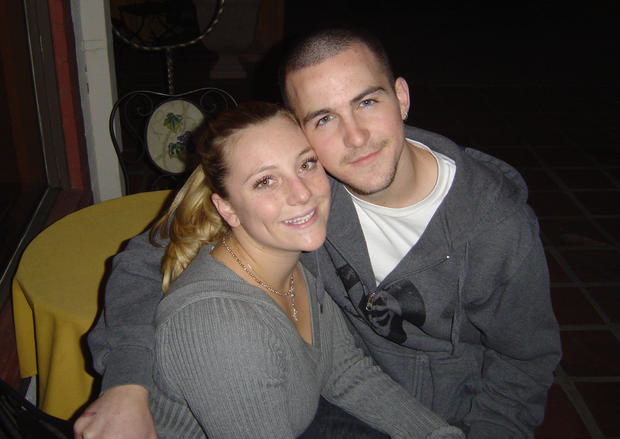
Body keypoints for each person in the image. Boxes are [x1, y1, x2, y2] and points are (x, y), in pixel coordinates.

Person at [75, 27, 561, 439]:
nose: (355, 137)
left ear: (401, 97)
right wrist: (127, 384)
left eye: (367, 102)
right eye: (324, 118)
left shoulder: (495, 226)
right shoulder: (304, 194)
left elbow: (525, 365)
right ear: (302, 130)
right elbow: (148, 263)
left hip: (441, 413)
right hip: (318, 400)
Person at [100, 101, 465, 438]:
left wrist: (437, 434)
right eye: (265, 181)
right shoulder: (221, 326)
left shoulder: (293, 263)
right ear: (227, 209)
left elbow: (344, 371)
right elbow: (140, 266)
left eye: (306, 164)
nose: (302, 193)